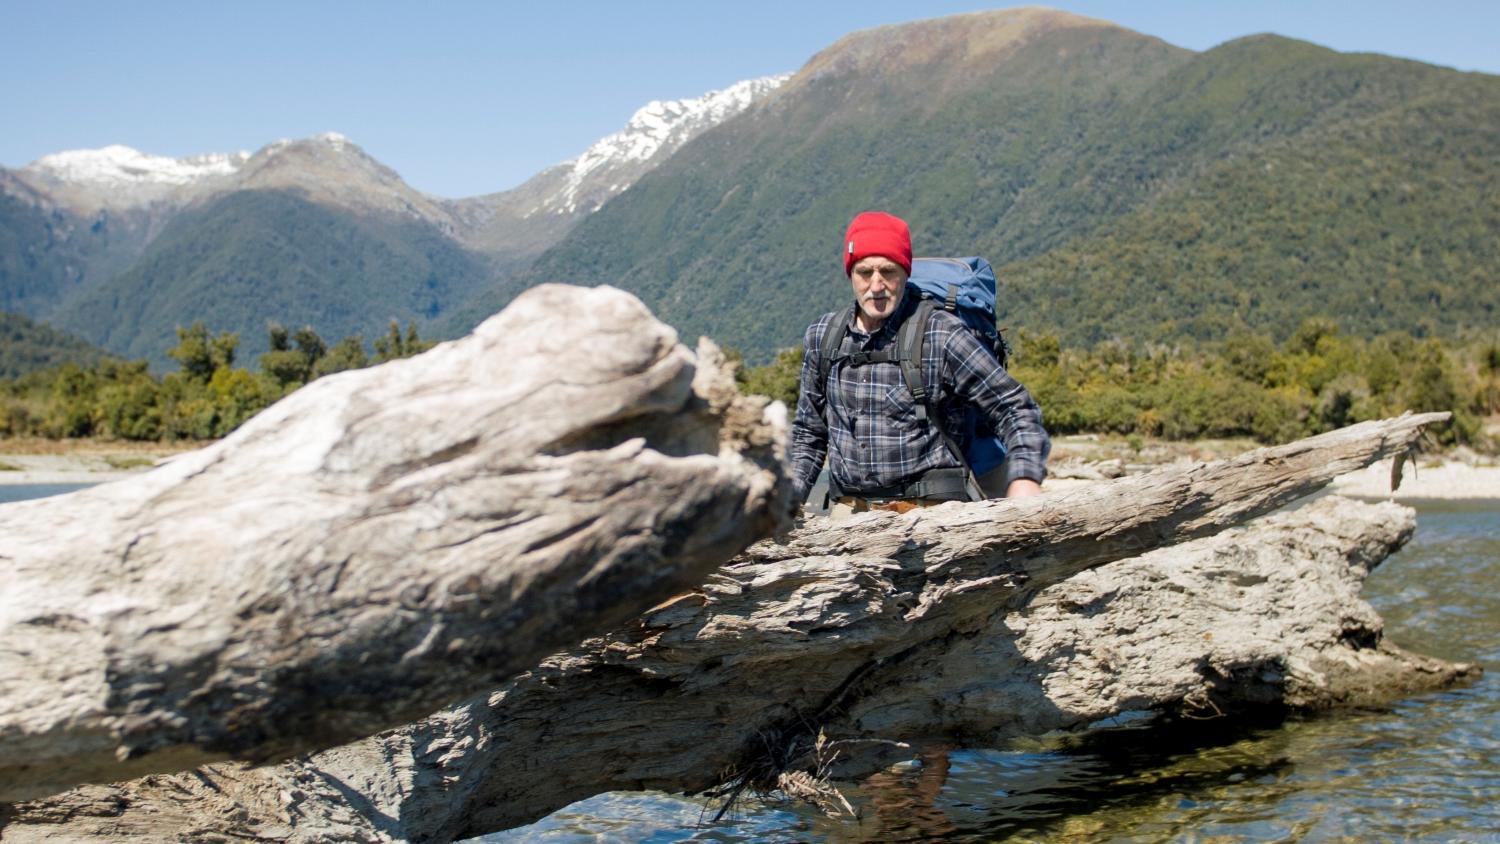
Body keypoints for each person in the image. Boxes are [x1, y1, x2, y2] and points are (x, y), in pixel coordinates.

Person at [790, 211, 1050, 517]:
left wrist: (1024, 478)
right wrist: (787, 498)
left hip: (931, 515)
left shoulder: (941, 333)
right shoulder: (823, 336)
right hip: (848, 514)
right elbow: (809, 432)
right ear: (850, 273)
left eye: (888, 271)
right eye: (865, 273)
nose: (876, 285)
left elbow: (1014, 407)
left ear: (905, 271)